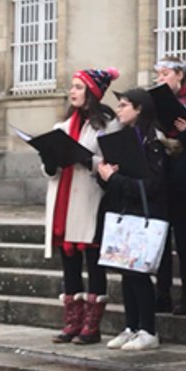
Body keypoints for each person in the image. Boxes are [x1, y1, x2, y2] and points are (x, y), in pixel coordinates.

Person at [43, 68, 120, 345]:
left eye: (78, 87)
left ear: (92, 92)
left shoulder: (108, 123)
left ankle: (92, 325)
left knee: (93, 259)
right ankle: (71, 323)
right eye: (72, 87)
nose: (72, 92)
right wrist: (50, 162)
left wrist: (86, 159)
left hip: (90, 197)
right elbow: (50, 168)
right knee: (69, 263)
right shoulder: (62, 126)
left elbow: (111, 160)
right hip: (64, 198)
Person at [99, 87, 168, 351]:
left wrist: (114, 178)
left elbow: (152, 184)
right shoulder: (124, 138)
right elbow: (117, 180)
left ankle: (148, 330)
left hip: (146, 213)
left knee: (139, 274)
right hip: (125, 210)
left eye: (124, 105)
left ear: (139, 109)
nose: (119, 110)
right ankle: (131, 326)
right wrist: (107, 175)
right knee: (126, 273)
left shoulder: (153, 141)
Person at [150, 55, 186, 315]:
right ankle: (161, 294)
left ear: (180, 76)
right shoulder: (155, 106)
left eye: (165, 74)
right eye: (159, 75)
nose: (161, 79)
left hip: (184, 182)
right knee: (160, 241)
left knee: (184, 241)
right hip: (160, 181)